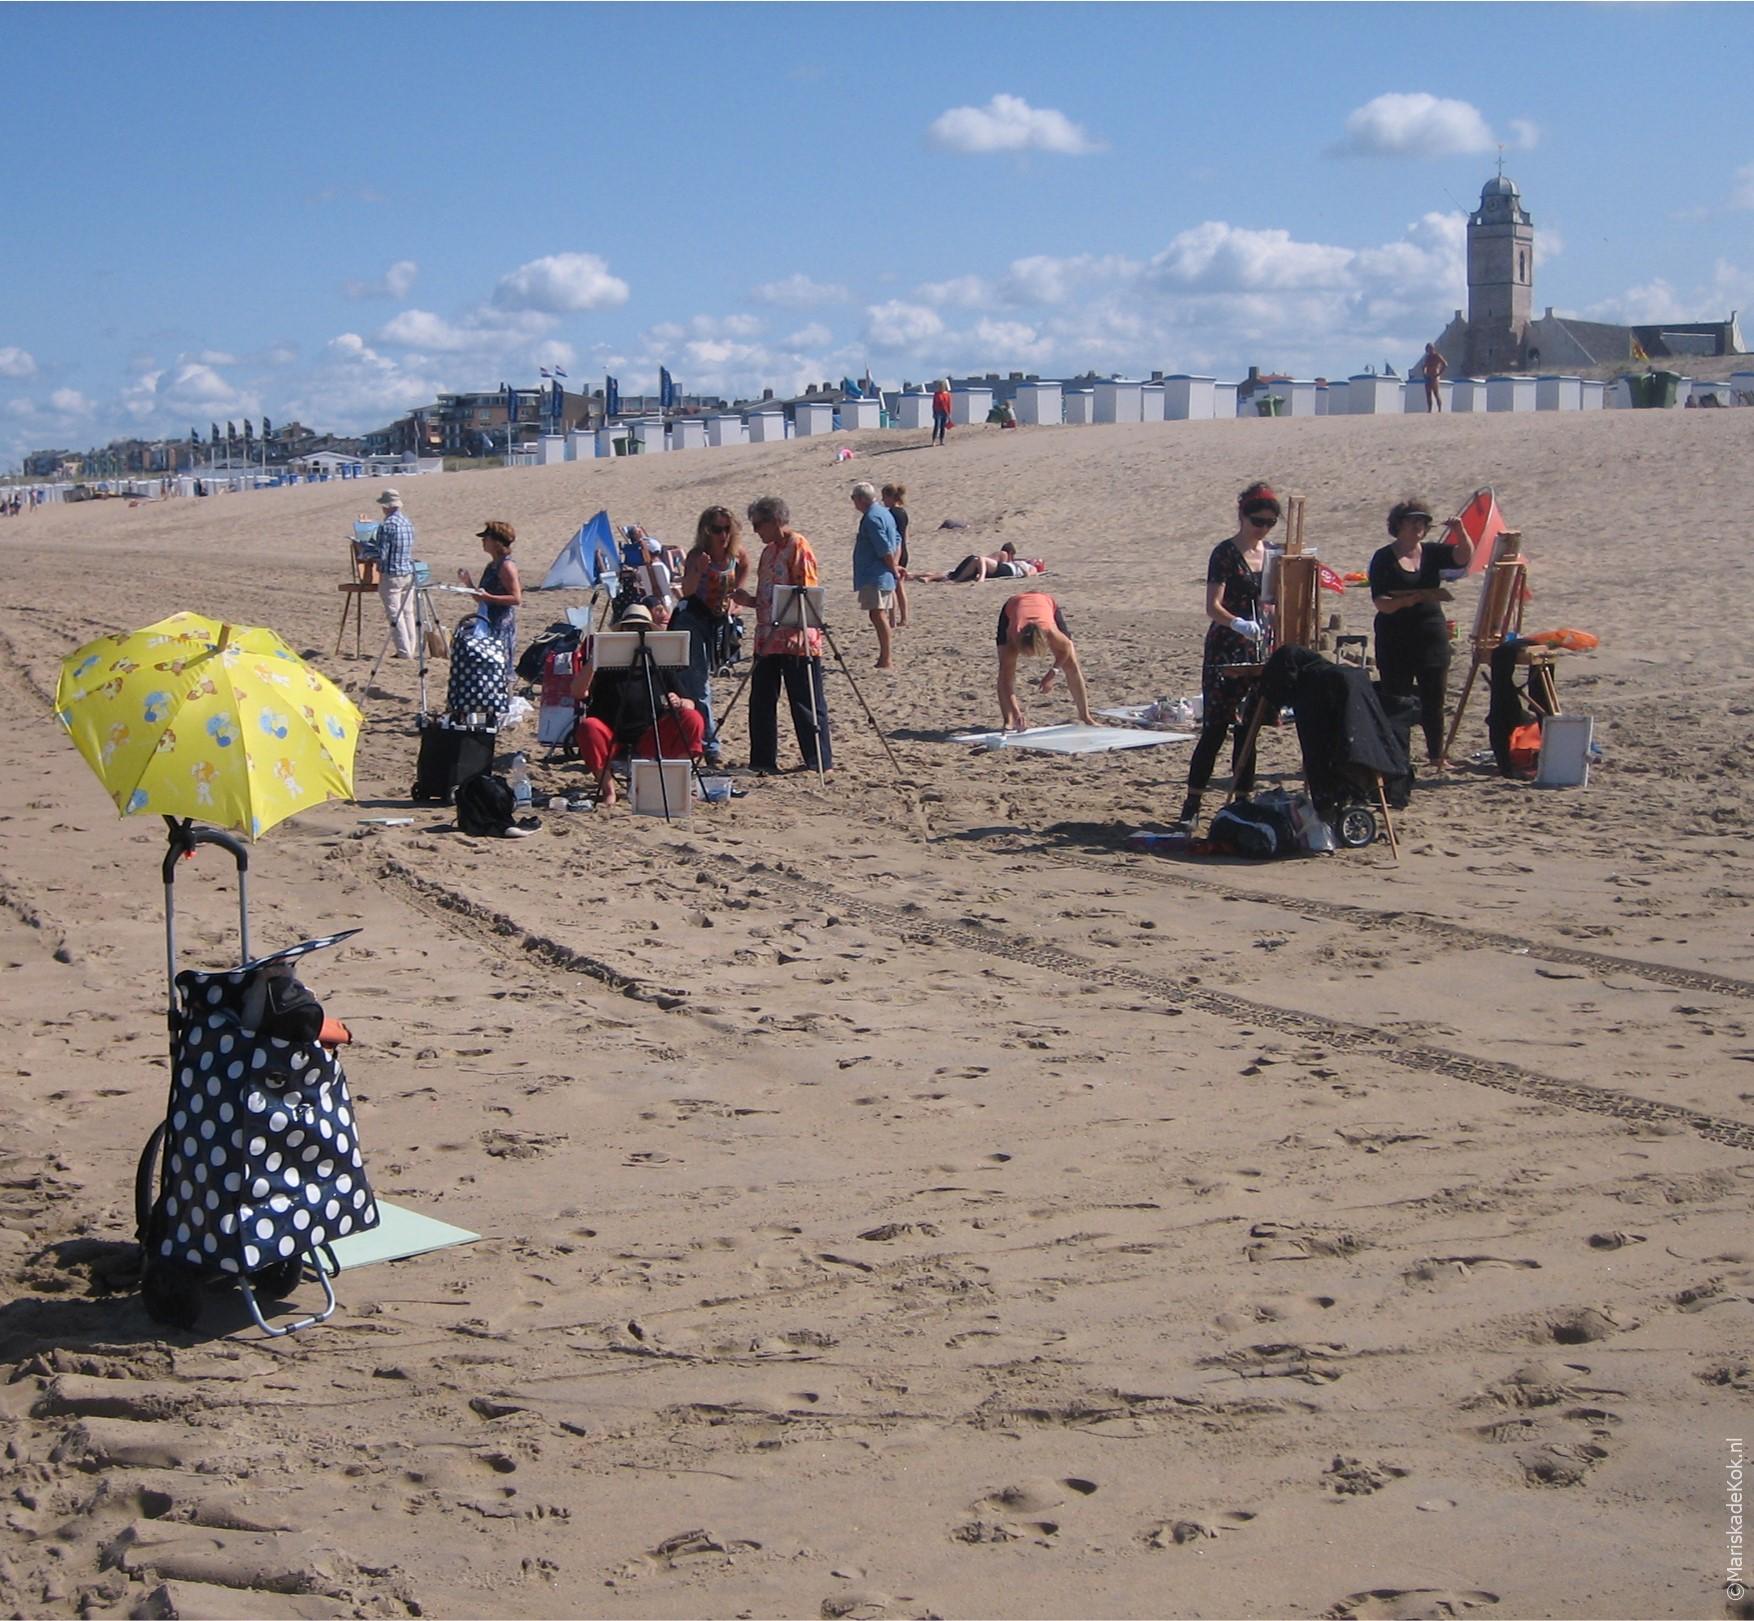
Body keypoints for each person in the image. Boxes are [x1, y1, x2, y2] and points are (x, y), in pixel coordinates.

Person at [1176, 480, 1279, 830]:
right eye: (1257, 521)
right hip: (1227, 646)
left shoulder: (1272, 555)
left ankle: (1242, 801)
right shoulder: (1225, 553)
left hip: (1259, 646)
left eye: (1269, 523)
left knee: (1249, 730)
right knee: (1216, 728)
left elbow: (1276, 599)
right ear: (1242, 516)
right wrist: (1238, 623)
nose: (1262, 529)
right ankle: (1192, 804)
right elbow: (1213, 606)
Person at [1369, 496, 1474, 768]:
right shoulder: (1383, 558)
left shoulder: (1431, 552)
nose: (1418, 526)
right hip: (1395, 637)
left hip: (1430, 634)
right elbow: (1380, 602)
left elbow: (1462, 557)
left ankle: (1436, 755)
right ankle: (1398, 757)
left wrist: (1460, 531)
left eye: (1422, 522)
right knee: (1397, 699)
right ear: (1398, 524)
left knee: (1434, 697)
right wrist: (1405, 601)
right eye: (1412, 521)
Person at [570, 601, 706, 806]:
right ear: (622, 631)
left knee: (693, 719)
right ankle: (608, 791)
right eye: (630, 627)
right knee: (588, 727)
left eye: (641, 628)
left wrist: (679, 702)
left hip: (651, 734)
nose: (635, 632)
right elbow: (578, 692)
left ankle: (673, 783)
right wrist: (595, 660)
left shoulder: (659, 662)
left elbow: (690, 704)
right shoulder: (606, 665)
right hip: (612, 736)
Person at [746, 494, 832, 776]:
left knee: (805, 701)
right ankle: (762, 760)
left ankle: (818, 760)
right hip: (766, 638)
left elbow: (807, 593)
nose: (756, 531)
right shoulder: (768, 552)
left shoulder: (798, 546)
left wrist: (796, 625)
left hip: (796, 638)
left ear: (774, 521)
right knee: (761, 701)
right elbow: (766, 595)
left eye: (758, 524)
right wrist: (748, 601)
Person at [675, 505, 752, 765]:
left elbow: (744, 569)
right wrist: (698, 570)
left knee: (706, 679)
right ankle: (709, 746)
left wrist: (736, 598)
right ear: (706, 531)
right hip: (693, 620)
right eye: (717, 529)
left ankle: (702, 740)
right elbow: (686, 591)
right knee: (699, 684)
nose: (723, 535)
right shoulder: (698, 556)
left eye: (727, 529)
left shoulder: (736, 554)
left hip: (718, 622)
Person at [996, 592, 1094, 732]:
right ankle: (1009, 720)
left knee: (1072, 665)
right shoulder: (1012, 637)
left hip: (1045, 602)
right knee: (1005, 671)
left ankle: (1085, 716)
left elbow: (1066, 649)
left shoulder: (1050, 631)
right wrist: (1017, 712)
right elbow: (1006, 681)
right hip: (1013, 605)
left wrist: (1052, 673)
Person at [457, 519, 522, 696]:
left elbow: (516, 598)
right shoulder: (492, 565)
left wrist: (489, 597)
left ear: (496, 542)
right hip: (487, 620)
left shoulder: (506, 566)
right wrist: (468, 583)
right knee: (487, 662)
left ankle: (504, 701)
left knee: (501, 663)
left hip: (501, 623)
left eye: (486, 538)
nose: (483, 541)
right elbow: (481, 598)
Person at [850, 481, 901, 669]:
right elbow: (897, 540)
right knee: (878, 614)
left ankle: (886, 658)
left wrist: (893, 567)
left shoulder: (873, 517)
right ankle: (885, 657)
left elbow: (884, 547)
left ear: (861, 499)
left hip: (875, 574)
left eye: (853, 498)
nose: (853, 502)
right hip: (879, 573)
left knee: (878, 614)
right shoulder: (884, 513)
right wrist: (895, 564)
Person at [363, 488, 417, 657]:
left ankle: (404, 651)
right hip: (407, 572)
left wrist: (365, 552)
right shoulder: (407, 522)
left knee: (395, 614)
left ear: (386, 506)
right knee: (407, 612)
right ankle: (411, 648)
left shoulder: (387, 525)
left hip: (392, 574)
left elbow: (382, 554)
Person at [914, 541, 1042, 583]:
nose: (1034, 559)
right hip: (987, 566)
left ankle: (922, 576)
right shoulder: (1013, 560)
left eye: (1036, 561)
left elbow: (1029, 574)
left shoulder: (1031, 567)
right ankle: (924, 577)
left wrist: (1023, 567)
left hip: (1005, 570)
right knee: (952, 574)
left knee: (952, 574)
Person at [881, 483, 910, 630]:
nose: (883, 501)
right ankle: (904, 617)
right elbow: (905, 535)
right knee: (900, 586)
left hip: (895, 553)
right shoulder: (903, 513)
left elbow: (891, 536)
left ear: (891, 497)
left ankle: (892, 619)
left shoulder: (891, 514)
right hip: (904, 550)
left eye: (884, 497)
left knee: (892, 586)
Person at [1421, 344, 1449, 413]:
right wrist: (1424, 373)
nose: (1428, 350)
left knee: (1436, 393)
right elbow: (1424, 366)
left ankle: (1439, 409)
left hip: (1434, 376)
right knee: (1428, 393)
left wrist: (1439, 373)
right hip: (1428, 376)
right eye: (1427, 349)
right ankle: (1429, 409)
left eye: (1429, 349)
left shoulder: (1437, 356)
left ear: (1432, 348)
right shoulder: (1427, 357)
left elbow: (1445, 364)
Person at [931, 380, 953, 447]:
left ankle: (941, 440)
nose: (941, 387)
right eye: (940, 385)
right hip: (938, 412)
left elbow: (949, 404)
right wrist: (934, 412)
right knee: (937, 426)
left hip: (945, 412)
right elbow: (934, 404)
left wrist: (949, 414)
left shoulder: (947, 394)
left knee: (943, 427)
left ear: (944, 386)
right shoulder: (936, 394)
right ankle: (934, 441)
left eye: (942, 385)